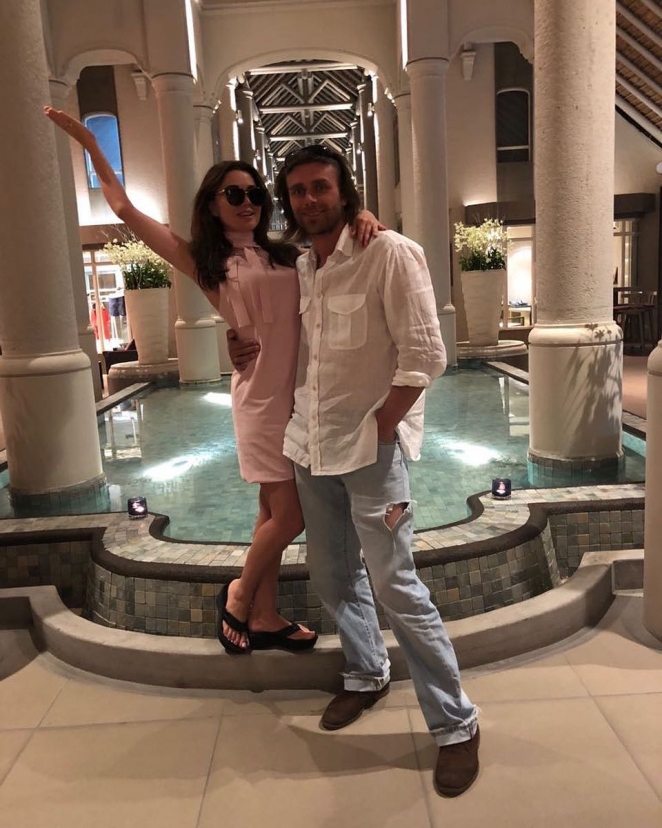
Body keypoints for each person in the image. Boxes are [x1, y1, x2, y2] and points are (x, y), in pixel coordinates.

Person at [44, 107, 380, 656]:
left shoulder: (287, 254)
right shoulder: (206, 262)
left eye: (255, 194)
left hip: (302, 400)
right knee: (290, 514)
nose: (248, 202)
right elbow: (125, 209)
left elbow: (337, 252)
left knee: (271, 513)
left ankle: (265, 615)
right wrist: (90, 143)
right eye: (234, 194)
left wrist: (363, 215)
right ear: (212, 204)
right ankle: (240, 595)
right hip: (261, 401)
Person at [270, 144, 480, 797]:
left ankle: (456, 724)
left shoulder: (390, 253)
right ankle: (366, 674)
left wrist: (382, 427)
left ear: (345, 191)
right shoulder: (303, 265)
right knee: (333, 574)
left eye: (321, 187)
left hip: (371, 455)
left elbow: (425, 357)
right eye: (298, 190)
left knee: (396, 585)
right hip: (312, 449)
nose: (310, 199)